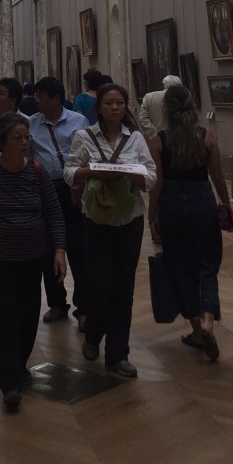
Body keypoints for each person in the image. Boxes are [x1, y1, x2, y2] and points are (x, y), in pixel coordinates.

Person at [0, 112, 66, 411]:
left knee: (29, 312)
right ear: (2, 142)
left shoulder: (37, 172)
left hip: (34, 256)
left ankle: (19, 364)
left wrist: (59, 250)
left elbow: (54, 213)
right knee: (7, 313)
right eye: (17, 138)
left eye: (26, 137)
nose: (24, 143)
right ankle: (8, 382)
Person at [64, 82, 157, 377]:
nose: (115, 108)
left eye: (119, 103)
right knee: (100, 282)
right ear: (99, 108)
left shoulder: (136, 138)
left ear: (126, 106)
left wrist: (135, 175)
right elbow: (69, 172)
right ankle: (93, 335)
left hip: (129, 219)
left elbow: (151, 176)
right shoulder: (85, 136)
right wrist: (92, 171)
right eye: (109, 103)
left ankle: (118, 353)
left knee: (124, 287)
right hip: (96, 220)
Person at [147, 85, 233, 361]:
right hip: (202, 204)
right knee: (207, 265)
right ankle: (209, 319)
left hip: (172, 207)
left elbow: (157, 183)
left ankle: (197, 330)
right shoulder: (206, 136)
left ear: (166, 110)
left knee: (181, 267)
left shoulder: (158, 140)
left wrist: (151, 215)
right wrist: (227, 208)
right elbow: (218, 178)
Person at [29, 78, 88, 328]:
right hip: (45, 190)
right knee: (49, 249)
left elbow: (88, 155)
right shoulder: (31, 123)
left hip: (73, 190)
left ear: (56, 98)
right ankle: (57, 303)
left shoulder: (79, 121)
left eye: (41, 96)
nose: (37, 100)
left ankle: (84, 307)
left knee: (79, 249)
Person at [138, 74, 181, 139]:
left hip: (153, 139)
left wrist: (154, 133)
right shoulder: (182, 97)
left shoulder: (149, 97)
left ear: (164, 84)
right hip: (176, 138)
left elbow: (142, 118)